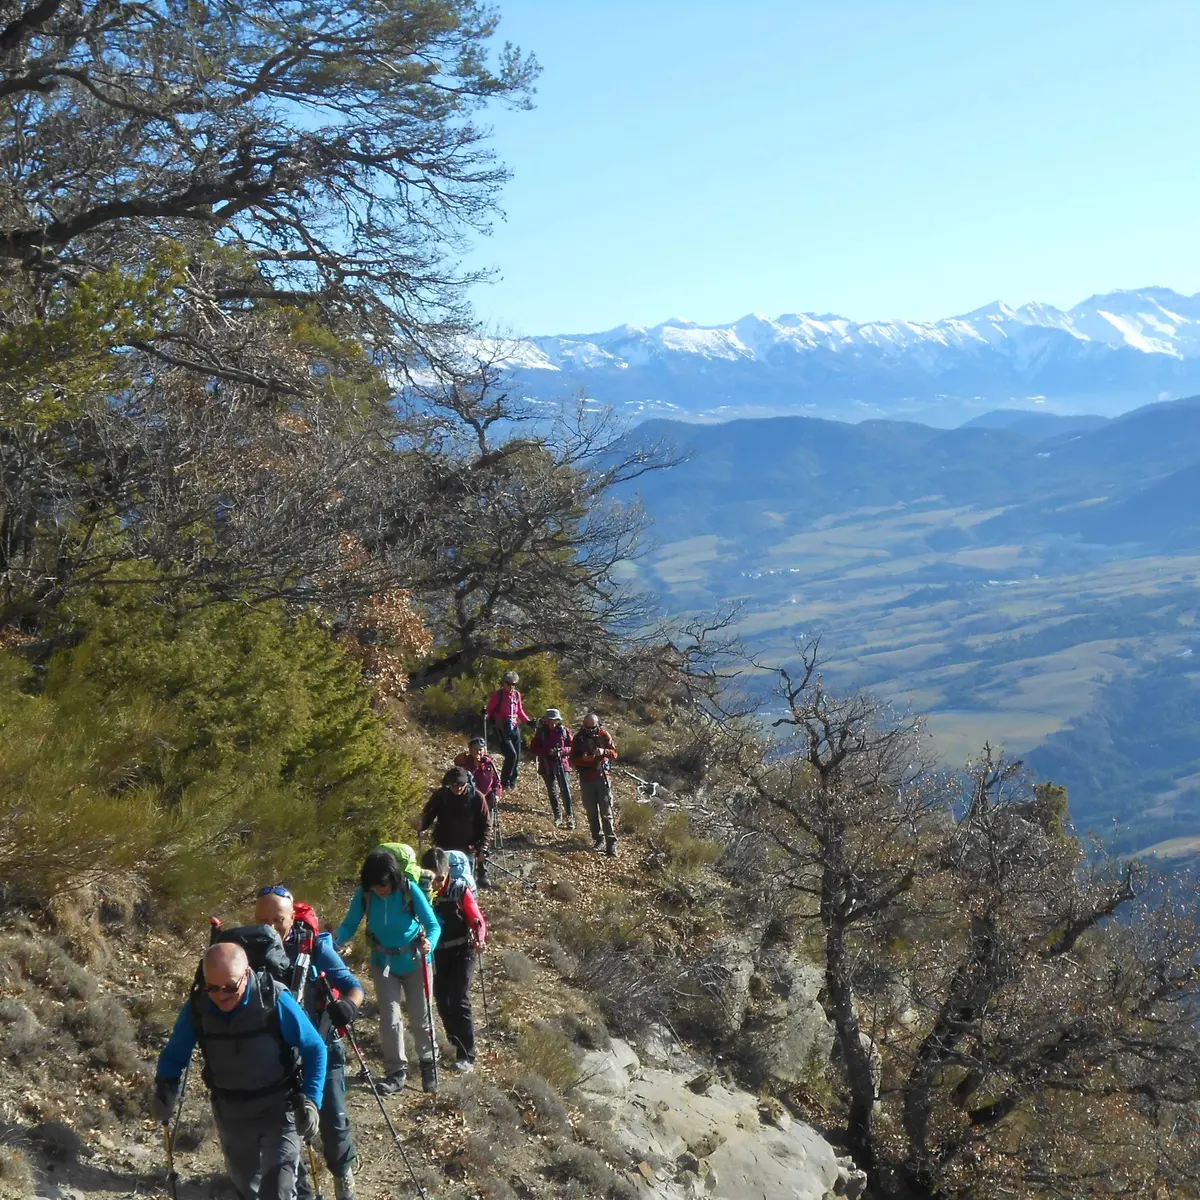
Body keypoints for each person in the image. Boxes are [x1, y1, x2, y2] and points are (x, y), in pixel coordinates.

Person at [154, 942, 327, 1200]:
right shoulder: (199, 1008)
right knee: (246, 1186)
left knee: (277, 1189)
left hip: (280, 1107)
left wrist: (312, 1101)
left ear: (247, 974)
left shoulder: (274, 1000)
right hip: (231, 1112)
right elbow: (175, 1054)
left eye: (230, 987)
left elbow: (315, 1048)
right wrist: (165, 1087)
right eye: (213, 987)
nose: (221, 995)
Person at [254, 887, 363, 1200]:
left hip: (322, 1049)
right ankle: (300, 1191)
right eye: (263, 919)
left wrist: (348, 1007)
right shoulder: (246, 948)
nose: (270, 926)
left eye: (278, 919)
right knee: (284, 1134)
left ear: (291, 917)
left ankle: (343, 1178)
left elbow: (353, 987)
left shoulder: (311, 945)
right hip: (273, 1058)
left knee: (332, 1123)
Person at [334, 848, 441, 1094]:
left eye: (383, 885)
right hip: (383, 963)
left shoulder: (409, 890)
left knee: (420, 1017)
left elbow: (432, 925)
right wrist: (332, 941)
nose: (380, 890)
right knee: (390, 1019)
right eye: (375, 886)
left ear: (393, 878)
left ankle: (428, 1065)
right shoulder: (365, 895)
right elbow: (350, 924)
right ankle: (395, 1073)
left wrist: (429, 943)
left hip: (415, 961)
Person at [419, 847, 488, 1073]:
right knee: (442, 1000)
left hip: (462, 950)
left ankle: (467, 1054)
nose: (436, 884)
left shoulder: (460, 890)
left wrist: (480, 938)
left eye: (440, 878)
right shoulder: (420, 892)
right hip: (436, 953)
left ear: (447, 872)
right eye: (431, 877)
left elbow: (476, 918)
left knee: (459, 998)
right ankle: (454, 1039)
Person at [418, 766, 493, 888]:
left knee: (465, 884)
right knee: (442, 883)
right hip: (443, 846)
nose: (458, 788)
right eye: (454, 784)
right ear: (448, 784)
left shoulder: (477, 797)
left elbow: (486, 825)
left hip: (468, 848)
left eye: (461, 784)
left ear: (467, 783)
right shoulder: (441, 796)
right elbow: (428, 815)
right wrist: (421, 825)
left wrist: (483, 847)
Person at [569, 712, 619, 857]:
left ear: (597, 725)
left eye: (592, 727)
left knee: (606, 812)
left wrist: (604, 751)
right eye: (587, 727)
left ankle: (611, 843)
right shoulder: (578, 738)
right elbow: (572, 760)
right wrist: (583, 759)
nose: (590, 730)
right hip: (586, 779)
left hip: (602, 778)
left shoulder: (604, 735)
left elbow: (615, 754)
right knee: (591, 812)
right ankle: (598, 839)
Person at [484, 670, 534, 790]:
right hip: (502, 727)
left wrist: (528, 721)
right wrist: (485, 714)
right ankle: (504, 781)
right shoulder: (498, 695)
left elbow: (519, 711)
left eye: (514, 684)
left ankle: (512, 780)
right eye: (509, 683)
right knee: (511, 755)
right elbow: (489, 709)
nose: (511, 686)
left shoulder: (516, 695)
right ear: (504, 683)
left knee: (517, 755)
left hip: (514, 726)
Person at [530, 708, 574, 828]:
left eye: (555, 720)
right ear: (546, 721)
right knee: (552, 792)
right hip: (546, 765)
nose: (552, 723)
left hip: (562, 765)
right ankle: (557, 816)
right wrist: (547, 751)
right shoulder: (541, 733)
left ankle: (570, 817)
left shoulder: (565, 731)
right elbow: (534, 748)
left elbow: (572, 747)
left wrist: (562, 751)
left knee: (565, 791)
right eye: (550, 720)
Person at [454, 736, 502, 823]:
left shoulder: (489, 764)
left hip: (487, 802)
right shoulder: (464, 764)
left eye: (481, 749)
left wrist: (497, 795)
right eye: (475, 749)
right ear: (470, 750)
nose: (478, 752)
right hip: (469, 802)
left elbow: (496, 783)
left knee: (486, 828)